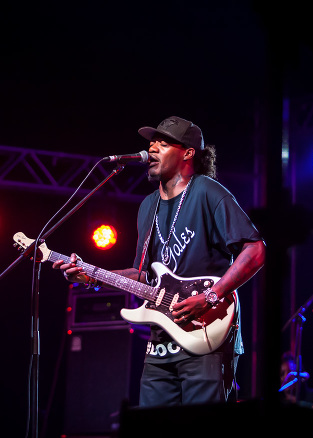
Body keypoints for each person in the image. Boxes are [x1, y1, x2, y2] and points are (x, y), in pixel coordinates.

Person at [53, 116, 266, 406]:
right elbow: (142, 275)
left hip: (207, 336)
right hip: (161, 345)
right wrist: (91, 276)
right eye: (150, 143)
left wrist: (210, 296)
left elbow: (255, 250)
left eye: (162, 143)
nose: (151, 148)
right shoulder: (147, 206)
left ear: (188, 153)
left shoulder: (207, 191)